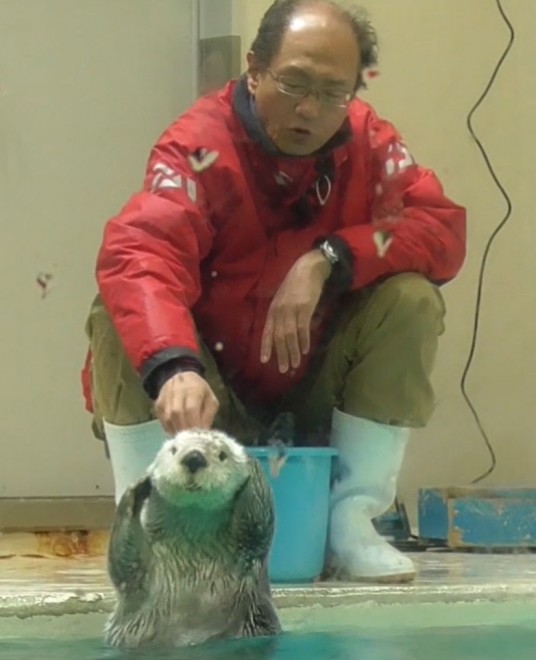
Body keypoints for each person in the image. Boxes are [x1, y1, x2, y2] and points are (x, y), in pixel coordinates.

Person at [81, 0, 466, 583]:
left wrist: (332, 257)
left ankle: (350, 520)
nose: (311, 109)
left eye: (334, 92)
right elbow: (141, 253)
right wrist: (173, 367)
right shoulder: (199, 146)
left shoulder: (371, 143)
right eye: (294, 82)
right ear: (254, 69)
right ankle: (151, 524)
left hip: (312, 404)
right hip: (207, 407)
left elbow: (438, 229)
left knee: (411, 298)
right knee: (117, 314)